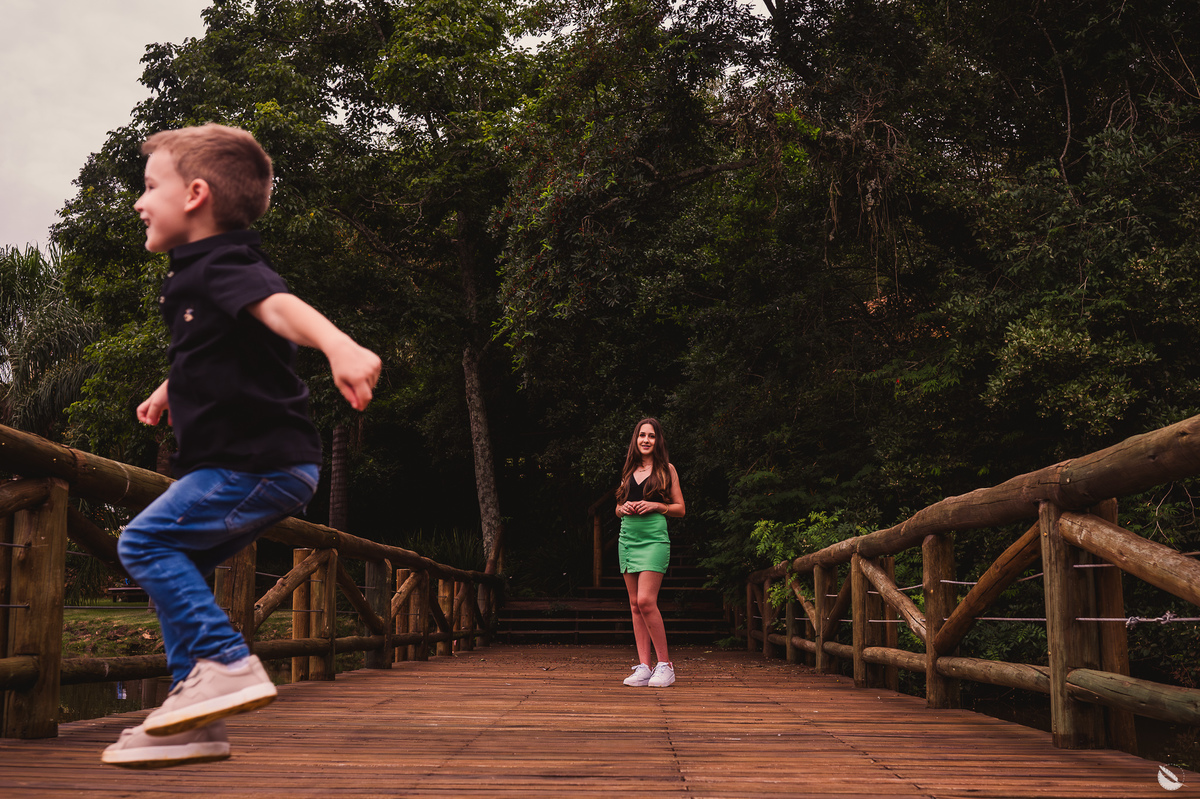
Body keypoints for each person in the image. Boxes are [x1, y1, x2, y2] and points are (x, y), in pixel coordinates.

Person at [101, 123, 382, 769]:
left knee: (143, 542)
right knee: (177, 563)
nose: (139, 202)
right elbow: (214, 346)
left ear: (195, 195)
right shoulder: (196, 277)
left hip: (254, 463)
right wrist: (168, 389)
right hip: (261, 465)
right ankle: (193, 719)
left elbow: (279, 308)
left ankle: (227, 662)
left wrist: (339, 344)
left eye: (149, 187)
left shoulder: (223, 264)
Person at [615, 417, 685, 687]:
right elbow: (618, 506)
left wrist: (656, 506)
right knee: (634, 604)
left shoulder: (667, 469)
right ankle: (644, 667)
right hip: (627, 539)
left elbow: (680, 508)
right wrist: (622, 509)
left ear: (658, 441)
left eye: (651, 436)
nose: (646, 440)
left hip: (654, 539)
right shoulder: (628, 469)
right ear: (636, 439)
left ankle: (665, 665)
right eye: (642, 435)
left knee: (646, 601)